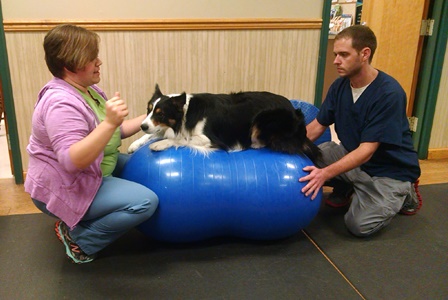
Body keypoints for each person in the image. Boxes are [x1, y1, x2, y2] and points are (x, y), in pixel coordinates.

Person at [25, 24, 159, 263]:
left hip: (94, 169)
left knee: (145, 164)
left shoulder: (89, 91)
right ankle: (79, 239)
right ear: (70, 66)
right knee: (144, 201)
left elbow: (115, 132)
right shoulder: (61, 103)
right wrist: (109, 123)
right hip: (68, 184)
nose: (99, 62)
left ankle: (84, 220)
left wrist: (157, 116)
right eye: (91, 58)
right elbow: (71, 161)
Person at [299, 25, 421, 237]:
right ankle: (350, 186)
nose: (336, 60)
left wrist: (325, 174)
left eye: (343, 55)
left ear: (365, 54)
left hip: (387, 171)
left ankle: (405, 192)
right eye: (336, 54)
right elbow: (317, 126)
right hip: (353, 159)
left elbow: (367, 151)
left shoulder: (389, 94)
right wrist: (288, 149)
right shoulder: (339, 86)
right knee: (318, 153)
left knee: (358, 225)